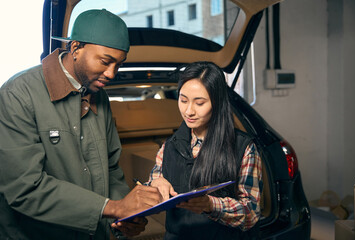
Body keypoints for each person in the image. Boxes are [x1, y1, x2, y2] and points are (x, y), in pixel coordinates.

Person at [0, 9, 162, 240]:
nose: (112, 73)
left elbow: (111, 168)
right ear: (75, 48)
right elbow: (25, 188)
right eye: (105, 61)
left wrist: (126, 215)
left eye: (119, 64)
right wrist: (112, 208)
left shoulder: (99, 94)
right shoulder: (17, 94)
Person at [147, 61, 263, 239]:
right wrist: (155, 184)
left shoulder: (243, 148)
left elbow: (252, 214)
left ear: (217, 103)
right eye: (183, 100)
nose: (189, 111)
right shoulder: (169, 146)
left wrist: (211, 205)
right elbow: (152, 184)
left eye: (199, 103)